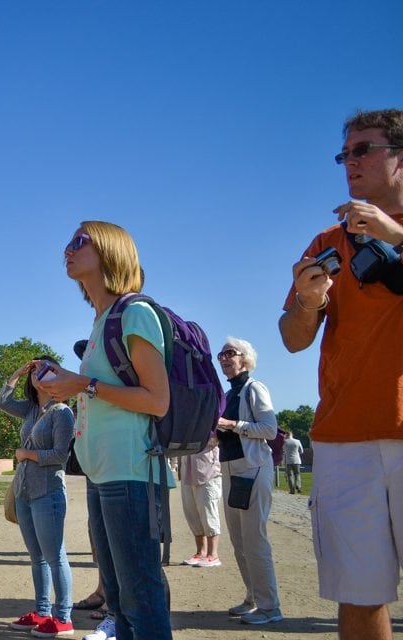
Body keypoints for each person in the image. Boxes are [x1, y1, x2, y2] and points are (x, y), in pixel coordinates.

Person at [279, 108, 403, 640]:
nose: (349, 162)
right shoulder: (327, 240)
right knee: (359, 593)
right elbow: (292, 338)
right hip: (344, 438)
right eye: (344, 154)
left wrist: (395, 234)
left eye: (363, 150)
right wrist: (308, 301)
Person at [40, 220, 172, 640]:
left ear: (111, 252)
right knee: (118, 599)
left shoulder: (135, 312)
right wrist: (69, 383)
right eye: (68, 241)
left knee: (141, 596)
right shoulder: (102, 320)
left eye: (80, 241)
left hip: (131, 470)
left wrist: (83, 384)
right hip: (102, 472)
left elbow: (156, 400)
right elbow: (101, 393)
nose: (68, 248)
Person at [0, 357, 76, 638]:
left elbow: (59, 456)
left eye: (45, 368)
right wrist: (18, 372)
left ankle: (64, 618)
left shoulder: (62, 412)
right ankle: (42, 613)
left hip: (48, 493)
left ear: (56, 375)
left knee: (54, 556)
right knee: (36, 558)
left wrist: (26, 454)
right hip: (25, 492)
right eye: (34, 369)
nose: (37, 372)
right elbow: (2, 402)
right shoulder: (31, 410)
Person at [215, 338, 283, 625]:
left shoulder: (254, 388)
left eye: (230, 353)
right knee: (239, 540)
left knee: (255, 540)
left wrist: (231, 425)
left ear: (246, 359)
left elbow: (269, 429)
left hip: (252, 468)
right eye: (221, 354)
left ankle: (271, 607)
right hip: (230, 468)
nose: (224, 358)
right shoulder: (229, 394)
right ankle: (253, 597)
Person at [176, 438, 222, 568]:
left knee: (208, 510)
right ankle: (201, 552)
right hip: (187, 467)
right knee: (192, 513)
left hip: (207, 468)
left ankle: (213, 554)